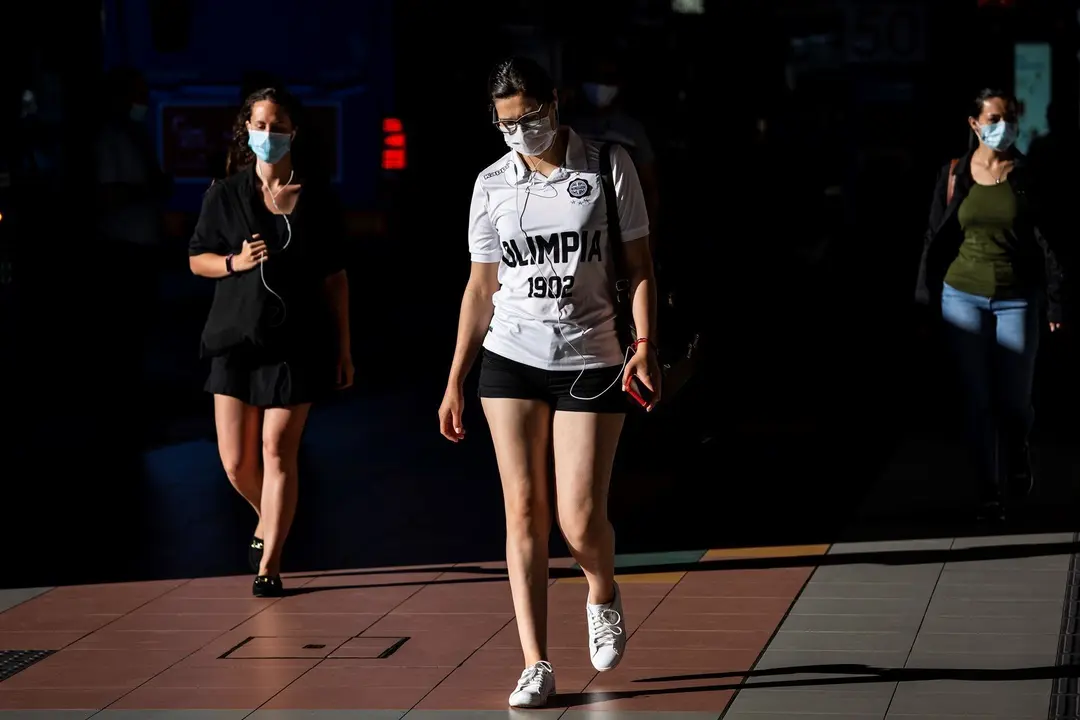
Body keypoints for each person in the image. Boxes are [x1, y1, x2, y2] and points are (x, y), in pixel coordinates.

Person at [437, 57, 660, 708]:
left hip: (592, 355)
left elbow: (640, 265)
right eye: (506, 123)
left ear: (554, 103)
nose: (519, 132)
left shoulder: (604, 165)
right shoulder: (490, 183)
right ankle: (535, 661)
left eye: (529, 118)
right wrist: (456, 376)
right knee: (524, 510)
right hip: (510, 355)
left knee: (581, 518)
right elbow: (481, 286)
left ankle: (602, 590)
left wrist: (643, 345)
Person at [188, 87, 353, 597]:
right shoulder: (224, 193)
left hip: (297, 343)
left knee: (277, 449)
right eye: (259, 125)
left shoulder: (316, 198)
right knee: (237, 462)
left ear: (293, 132)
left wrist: (344, 347)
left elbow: (335, 278)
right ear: (246, 130)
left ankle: (271, 564)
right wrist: (235, 261)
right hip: (235, 340)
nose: (268, 135)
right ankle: (271, 517)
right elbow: (198, 259)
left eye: (277, 126)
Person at [915, 88, 1065, 522]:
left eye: (1010, 117)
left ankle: (1017, 450)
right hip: (962, 296)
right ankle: (988, 492)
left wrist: (1056, 302)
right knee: (976, 399)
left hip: (1017, 299)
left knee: (1014, 401)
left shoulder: (1027, 175)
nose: (1005, 126)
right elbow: (934, 238)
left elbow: (1050, 242)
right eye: (995, 118)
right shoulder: (953, 174)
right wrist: (926, 298)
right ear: (974, 124)